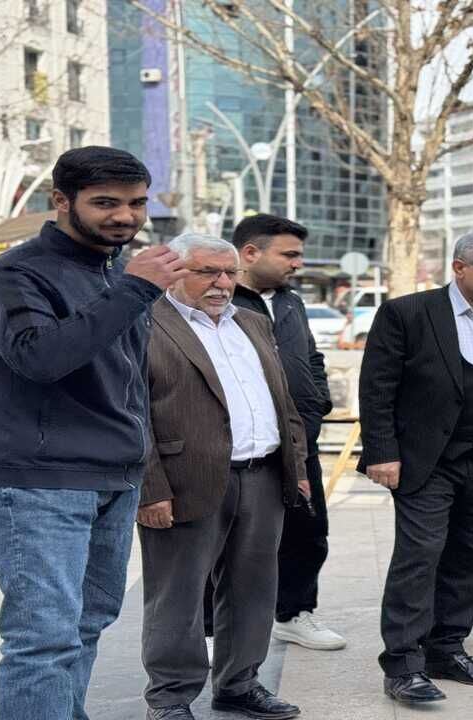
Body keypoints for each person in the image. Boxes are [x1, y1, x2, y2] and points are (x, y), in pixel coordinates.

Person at [0, 147, 186, 720]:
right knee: (43, 638)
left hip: (112, 476)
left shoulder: (112, 272)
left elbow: (130, 381)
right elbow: (39, 359)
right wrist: (135, 289)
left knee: (86, 625)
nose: (126, 216)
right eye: (106, 203)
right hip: (36, 480)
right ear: (61, 201)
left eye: (136, 203)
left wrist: (144, 466)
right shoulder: (13, 274)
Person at [359, 231, 473, 704]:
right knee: (420, 557)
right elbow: (377, 387)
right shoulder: (407, 313)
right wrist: (381, 451)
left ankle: (446, 648)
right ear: (460, 267)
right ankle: (403, 664)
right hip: (425, 461)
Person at [137, 234, 309, 720]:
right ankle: (170, 697)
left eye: (229, 273)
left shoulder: (252, 322)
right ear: (176, 272)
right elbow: (132, 414)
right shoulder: (145, 323)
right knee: (177, 595)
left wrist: (295, 466)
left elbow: (282, 399)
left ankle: (239, 685)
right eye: (207, 272)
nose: (221, 283)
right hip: (184, 480)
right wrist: (151, 489)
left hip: (263, 475)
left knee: (254, 588)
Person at [229, 214, 345, 651]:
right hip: (242, 444)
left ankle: (293, 614)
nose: (298, 263)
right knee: (228, 539)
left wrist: (317, 402)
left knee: (308, 533)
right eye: (289, 254)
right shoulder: (221, 298)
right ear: (250, 252)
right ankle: (210, 628)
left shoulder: (291, 301)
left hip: (299, 442)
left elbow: (311, 357)